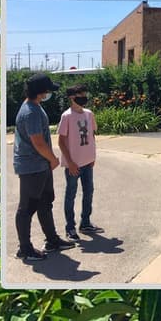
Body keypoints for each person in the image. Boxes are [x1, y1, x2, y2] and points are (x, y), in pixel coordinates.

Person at [13, 73, 76, 261]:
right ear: (40, 91)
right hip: (32, 167)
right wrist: (53, 159)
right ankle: (25, 249)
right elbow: (38, 142)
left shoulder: (34, 107)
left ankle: (52, 240)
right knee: (27, 208)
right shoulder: (30, 112)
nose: (49, 93)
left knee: (45, 203)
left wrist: (48, 161)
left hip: (40, 166)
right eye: (48, 90)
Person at [57, 84, 102, 240]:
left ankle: (85, 222)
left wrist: (93, 156)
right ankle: (70, 228)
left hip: (87, 162)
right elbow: (61, 141)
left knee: (88, 192)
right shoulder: (67, 116)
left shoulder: (89, 114)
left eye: (84, 94)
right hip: (73, 165)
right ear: (72, 97)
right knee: (71, 194)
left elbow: (92, 136)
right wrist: (70, 162)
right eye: (80, 95)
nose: (84, 97)